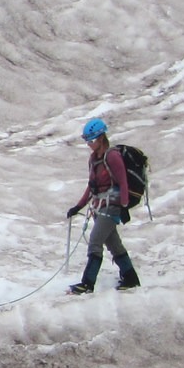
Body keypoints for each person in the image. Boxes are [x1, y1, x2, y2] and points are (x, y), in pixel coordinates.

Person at [65, 117, 141, 294]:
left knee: (95, 242)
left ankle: (87, 283)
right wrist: (78, 207)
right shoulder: (93, 159)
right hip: (99, 208)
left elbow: (123, 182)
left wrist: (124, 206)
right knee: (114, 245)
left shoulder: (112, 156)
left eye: (91, 140)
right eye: (87, 141)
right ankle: (131, 278)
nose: (89, 144)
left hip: (111, 207)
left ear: (100, 138)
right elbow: (92, 186)